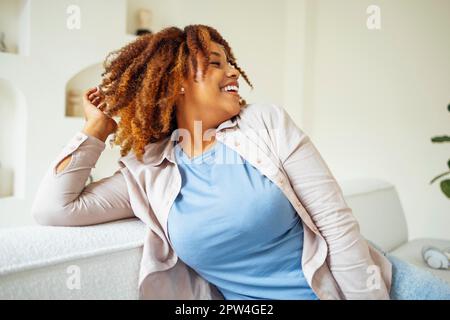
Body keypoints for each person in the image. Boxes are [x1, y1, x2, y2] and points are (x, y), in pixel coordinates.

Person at [31, 24, 450, 300]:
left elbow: (338, 227)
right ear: (174, 83)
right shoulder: (148, 173)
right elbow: (55, 207)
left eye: (230, 61)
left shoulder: (265, 124)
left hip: (372, 288)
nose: (232, 72)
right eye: (215, 63)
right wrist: (97, 129)